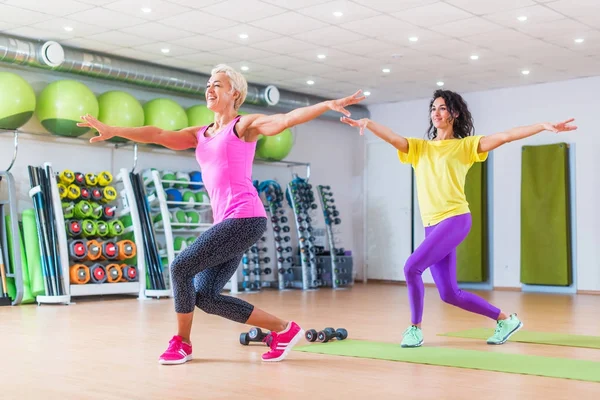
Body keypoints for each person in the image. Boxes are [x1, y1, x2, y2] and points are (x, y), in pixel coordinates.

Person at [78, 64, 365, 363]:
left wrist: (326, 106)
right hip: (229, 222)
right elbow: (158, 133)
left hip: (245, 217)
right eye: (208, 84)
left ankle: (182, 342)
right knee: (206, 296)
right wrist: (114, 131)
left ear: (234, 93)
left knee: (180, 267)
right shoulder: (200, 134)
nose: (209, 89)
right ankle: (284, 330)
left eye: (217, 84)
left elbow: (284, 119)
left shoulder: (243, 126)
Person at [341, 89, 576, 348]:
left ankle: (414, 329)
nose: (436, 113)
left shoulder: (465, 146)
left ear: (454, 113)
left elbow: (505, 136)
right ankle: (505, 320)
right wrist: (369, 123)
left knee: (411, 268)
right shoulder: (420, 148)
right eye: (433, 109)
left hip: (455, 219)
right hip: (432, 226)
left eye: (442, 108)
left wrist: (542, 126)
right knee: (449, 294)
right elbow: (395, 139)